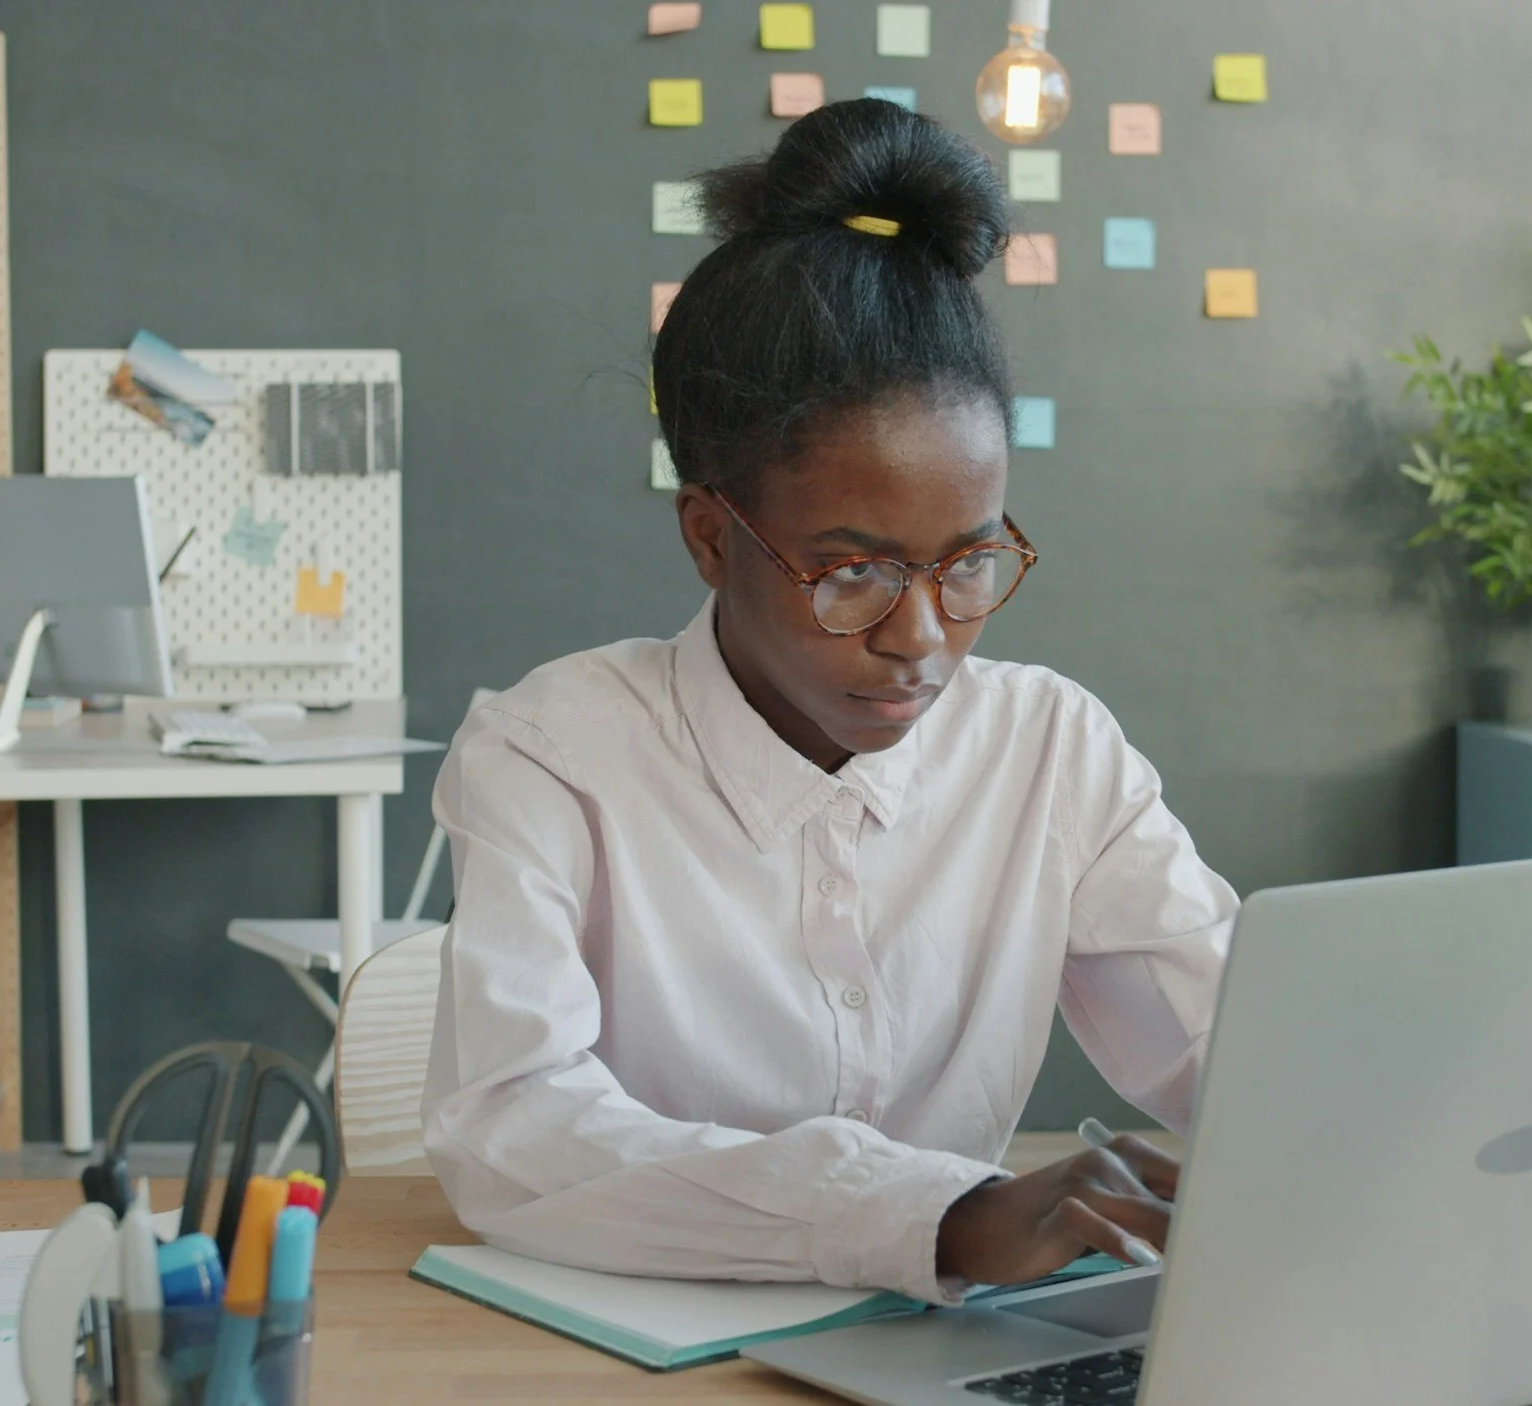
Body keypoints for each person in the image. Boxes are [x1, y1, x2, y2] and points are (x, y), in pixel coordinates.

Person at [421, 99, 1237, 1305]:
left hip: (947, 1355)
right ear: (710, 536)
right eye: (851, 570)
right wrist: (938, 1217)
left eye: (967, 561)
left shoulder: (1050, 749)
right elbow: (513, 1132)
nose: (922, 637)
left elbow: (1242, 1053)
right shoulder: (552, 755)